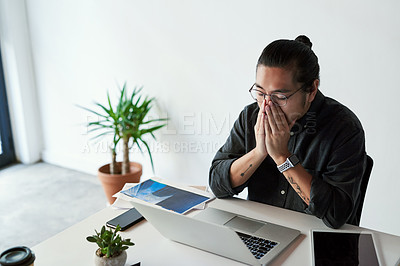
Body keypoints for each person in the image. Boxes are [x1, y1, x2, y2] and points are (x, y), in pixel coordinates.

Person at [209, 35, 367, 229]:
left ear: (311, 90)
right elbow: (217, 185)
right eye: (260, 93)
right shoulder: (251, 116)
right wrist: (259, 152)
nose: (266, 105)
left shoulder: (344, 128)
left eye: (280, 96)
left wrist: (283, 158)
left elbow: (336, 214)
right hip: (262, 232)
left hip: (319, 243)